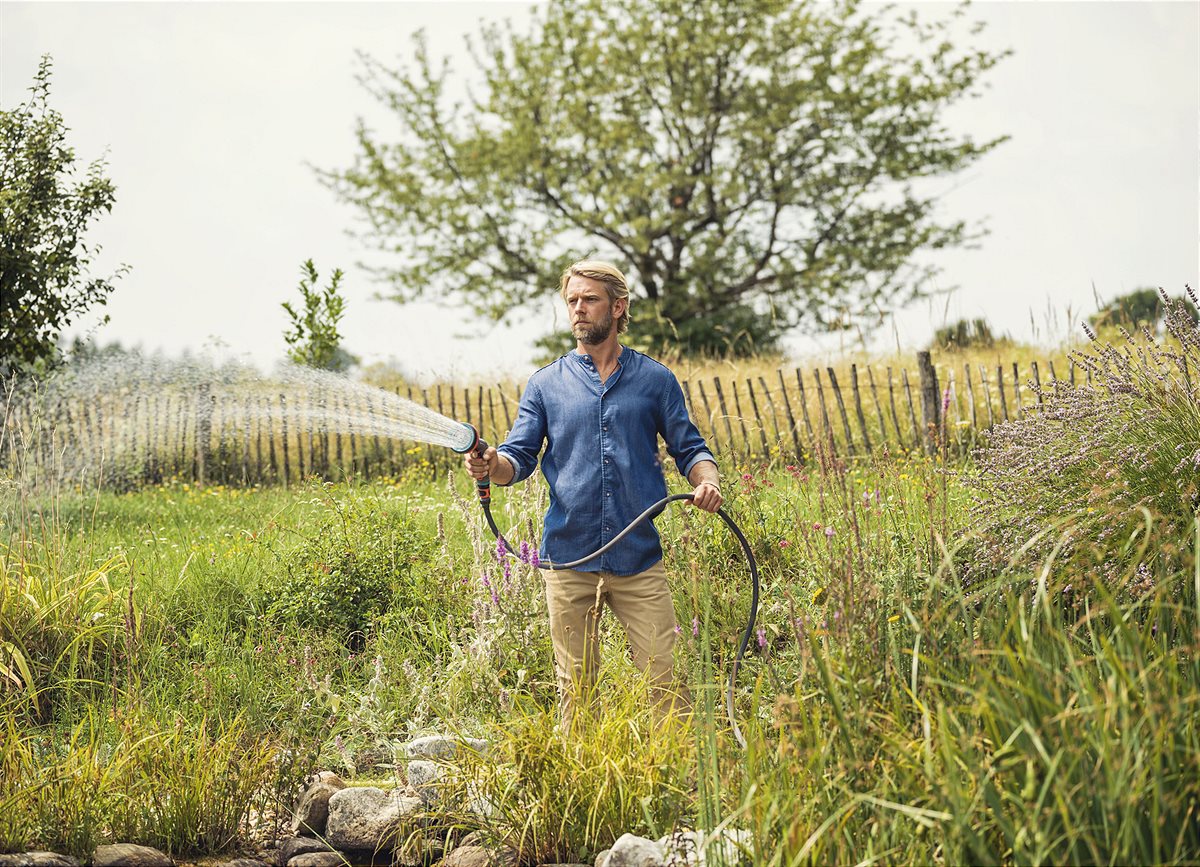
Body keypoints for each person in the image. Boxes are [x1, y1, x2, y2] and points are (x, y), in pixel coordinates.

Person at [464, 259, 722, 724]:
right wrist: (490, 463)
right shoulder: (546, 384)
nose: (578, 309)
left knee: (664, 682)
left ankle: (680, 781)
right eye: (572, 301)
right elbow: (516, 461)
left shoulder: (655, 380)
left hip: (639, 560)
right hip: (568, 560)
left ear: (618, 307)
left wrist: (708, 482)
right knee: (575, 690)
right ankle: (579, 788)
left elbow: (690, 448)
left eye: (589, 299)